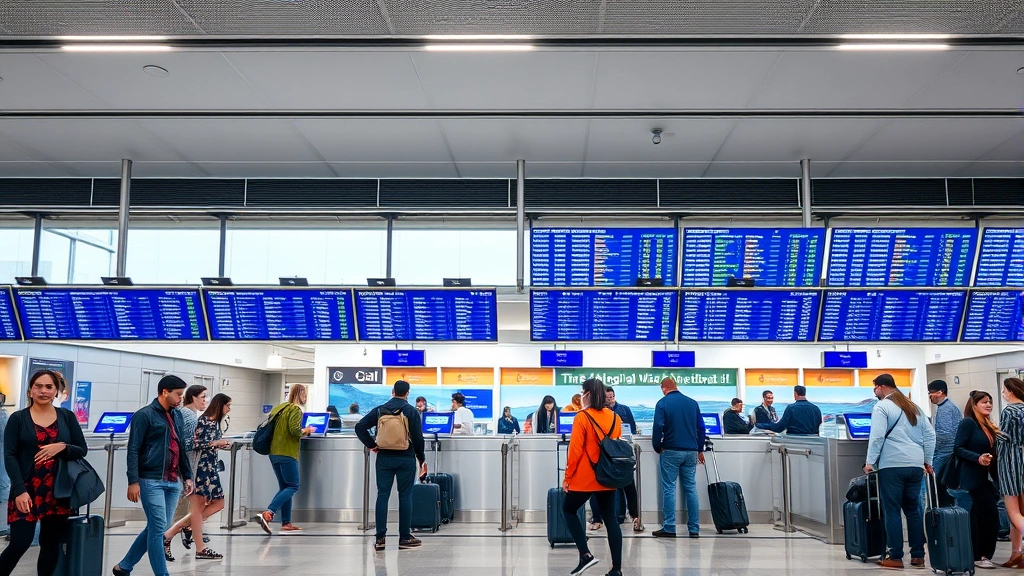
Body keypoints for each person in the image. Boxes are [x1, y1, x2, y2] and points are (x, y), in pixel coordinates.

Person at [0, 371, 87, 576]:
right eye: (38, 386)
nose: (43, 391)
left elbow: (81, 448)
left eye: (49, 387)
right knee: (20, 542)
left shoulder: (66, 416)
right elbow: (10, 455)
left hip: (58, 490)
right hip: (27, 490)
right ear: (30, 390)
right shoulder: (18, 418)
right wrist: (19, 490)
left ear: (56, 391)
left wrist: (62, 447)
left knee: (50, 543)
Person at [113, 375, 194, 576]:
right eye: (178, 394)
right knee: (158, 528)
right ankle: (162, 573)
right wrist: (133, 481)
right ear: (164, 392)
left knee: (157, 527)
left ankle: (124, 566)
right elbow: (133, 449)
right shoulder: (144, 415)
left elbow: (180, 447)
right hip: (151, 480)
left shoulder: (178, 415)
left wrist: (188, 476)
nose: (180, 399)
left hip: (173, 480)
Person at [862, 374, 935, 569]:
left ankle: (895, 556)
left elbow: (876, 437)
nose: (874, 392)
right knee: (913, 510)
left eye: (874, 388)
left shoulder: (882, 407)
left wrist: (870, 462)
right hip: (915, 466)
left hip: (892, 465)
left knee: (892, 510)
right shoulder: (914, 407)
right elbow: (930, 435)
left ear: (880, 387)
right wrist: (928, 461)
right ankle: (918, 556)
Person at [561, 378, 624, 576]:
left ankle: (585, 555)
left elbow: (575, 451)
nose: (580, 395)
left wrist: (567, 477)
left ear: (587, 394)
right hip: (608, 477)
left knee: (568, 509)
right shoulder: (615, 417)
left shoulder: (581, 417)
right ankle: (616, 569)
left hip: (585, 478)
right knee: (611, 520)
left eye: (582, 392)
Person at [355, 380, 426, 551]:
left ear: (393, 391)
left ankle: (380, 538)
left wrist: (372, 445)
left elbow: (360, 427)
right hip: (405, 458)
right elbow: (418, 439)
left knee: (383, 495)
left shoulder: (380, 410)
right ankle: (404, 537)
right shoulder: (410, 411)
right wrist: (421, 459)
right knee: (405, 495)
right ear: (407, 393)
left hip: (384, 458)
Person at [170, 394, 231, 560]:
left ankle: (173, 532)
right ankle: (199, 547)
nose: (228, 409)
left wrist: (220, 444)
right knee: (198, 507)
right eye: (228, 406)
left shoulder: (213, 422)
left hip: (210, 468)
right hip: (201, 468)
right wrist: (216, 443)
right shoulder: (205, 421)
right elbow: (195, 444)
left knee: (218, 503)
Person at [256, 384, 315, 536]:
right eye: (305, 394)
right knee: (293, 486)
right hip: (287, 452)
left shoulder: (279, 408)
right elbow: (295, 431)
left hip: (273, 452)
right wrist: (307, 430)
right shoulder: (295, 410)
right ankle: (268, 512)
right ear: (301, 393)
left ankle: (286, 523)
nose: (305, 397)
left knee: (285, 487)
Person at [651, 377, 706, 539]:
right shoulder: (692, 403)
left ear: (663, 388)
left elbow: (658, 427)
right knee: (691, 488)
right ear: (676, 385)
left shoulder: (662, 403)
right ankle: (694, 528)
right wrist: (700, 449)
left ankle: (669, 527)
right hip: (690, 451)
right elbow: (701, 428)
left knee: (669, 488)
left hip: (670, 450)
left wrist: (656, 446)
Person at [953, 390, 1001, 570]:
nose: (988, 405)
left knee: (981, 516)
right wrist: (977, 457)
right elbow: (957, 448)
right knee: (990, 515)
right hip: (973, 477)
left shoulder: (988, 425)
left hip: (987, 478)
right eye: (984, 402)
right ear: (974, 405)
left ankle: (980, 554)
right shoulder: (968, 423)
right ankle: (981, 555)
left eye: (990, 402)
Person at [590, 387, 642, 534]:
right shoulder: (599, 412)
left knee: (628, 484)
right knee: (599, 485)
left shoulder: (624, 410)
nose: (611, 399)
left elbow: (631, 428)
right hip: (606, 453)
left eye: (612, 396)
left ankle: (635, 516)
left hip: (620, 451)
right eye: (608, 397)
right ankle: (597, 518)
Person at [163, 385, 207, 559]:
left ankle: (188, 531)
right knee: (186, 506)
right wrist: (209, 443)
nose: (205, 401)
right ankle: (176, 533)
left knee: (191, 505)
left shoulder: (185, 414)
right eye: (202, 397)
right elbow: (187, 443)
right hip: (186, 468)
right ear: (193, 397)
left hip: (183, 468)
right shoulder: (188, 416)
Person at [997, 378, 1024, 568]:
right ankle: (1016, 553)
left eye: (1004, 390)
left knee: (1013, 511)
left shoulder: (1009, 411)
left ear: (1011, 391)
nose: (1003, 393)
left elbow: (1004, 438)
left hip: (1011, 463)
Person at [928, 379, 965, 508]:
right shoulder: (949, 407)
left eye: (931, 393)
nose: (930, 396)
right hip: (949, 455)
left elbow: (945, 436)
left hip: (945, 456)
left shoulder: (945, 409)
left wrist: (933, 453)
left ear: (940, 392)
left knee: (940, 492)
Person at [756, 386, 822, 436]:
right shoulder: (816, 409)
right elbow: (819, 427)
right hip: (813, 443)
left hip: (794, 442)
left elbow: (779, 428)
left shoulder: (791, 408)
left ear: (795, 393)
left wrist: (759, 425)